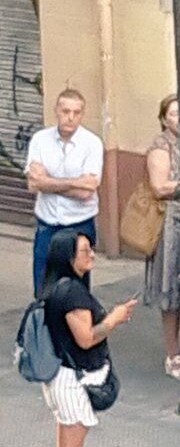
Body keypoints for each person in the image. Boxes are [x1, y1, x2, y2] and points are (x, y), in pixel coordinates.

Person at [40, 230, 136, 447]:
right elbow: (86, 338)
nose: (91, 255)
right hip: (72, 380)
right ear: (69, 258)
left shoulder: (55, 288)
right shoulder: (72, 293)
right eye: (84, 251)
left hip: (60, 377)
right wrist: (116, 318)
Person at [24, 88, 104, 297]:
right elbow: (33, 184)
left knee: (76, 291)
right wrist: (75, 184)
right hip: (47, 224)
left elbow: (87, 192)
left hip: (80, 224)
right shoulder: (40, 140)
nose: (70, 117)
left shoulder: (92, 143)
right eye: (65, 111)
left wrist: (47, 183)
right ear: (56, 111)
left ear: (82, 114)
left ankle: (76, 330)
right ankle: (44, 328)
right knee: (43, 288)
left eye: (76, 112)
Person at [141, 94, 180, 379]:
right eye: (172, 114)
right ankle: (172, 354)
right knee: (170, 289)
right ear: (163, 119)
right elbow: (159, 187)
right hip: (169, 223)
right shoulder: (161, 147)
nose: (178, 119)